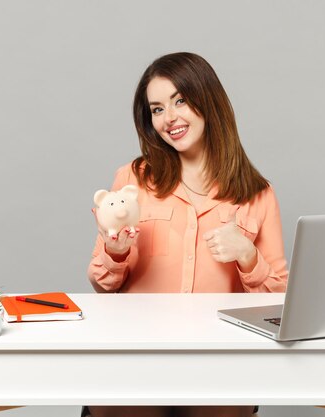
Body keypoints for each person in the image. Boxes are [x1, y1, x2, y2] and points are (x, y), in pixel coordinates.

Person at [86, 52, 289, 417]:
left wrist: (248, 256)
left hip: (221, 362)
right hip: (136, 356)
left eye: (180, 100)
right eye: (158, 108)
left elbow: (279, 304)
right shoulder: (133, 178)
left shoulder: (258, 194)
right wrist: (115, 251)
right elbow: (103, 284)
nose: (170, 118)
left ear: (207, 101)